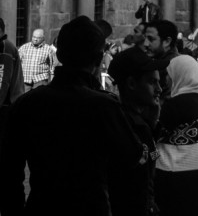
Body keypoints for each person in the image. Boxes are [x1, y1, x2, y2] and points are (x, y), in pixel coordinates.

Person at [0, 16, 143, 216]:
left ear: (60, 53)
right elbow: (132, 158)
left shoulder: (27, 104)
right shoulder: (105, 106)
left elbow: (9, 172)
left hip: (42, 206)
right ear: (98, 58)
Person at [107, 46, 169, 216]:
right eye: (152, 82)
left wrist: (153, 125)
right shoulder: (123, 124)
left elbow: (153, 157)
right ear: (132, 84)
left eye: (159, 82)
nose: (159, 89)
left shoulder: (142, 123)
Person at [155, 55, 198, 216]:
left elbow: (155, 133)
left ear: (179, 74)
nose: (167, 79)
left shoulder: (174, 105)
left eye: (169, 74)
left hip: (173, 173)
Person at [144, 20, 181, 100]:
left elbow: (165, 102)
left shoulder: (171, 67)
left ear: (167, 41)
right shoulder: (161, 62)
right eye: (145, 38)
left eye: (151, 39)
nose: (145, 44)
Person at [18, 29, 55, 93]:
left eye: (38, 38)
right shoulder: (24, 47)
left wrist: (52, 79)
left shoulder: (48, 49)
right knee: (24, 99)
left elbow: (52, 65)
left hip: (40, 80)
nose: (35, 39)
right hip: (25, 79)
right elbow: (17, 62)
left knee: (38, 100)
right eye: (34, 37)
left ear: (43, 38)